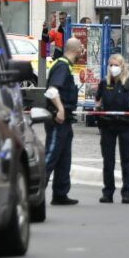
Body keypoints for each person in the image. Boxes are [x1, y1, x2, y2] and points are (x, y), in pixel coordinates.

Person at [94, 53, 129, 204]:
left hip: (125, 125)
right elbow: (97, 99)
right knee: (108, 161)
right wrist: (97, 109)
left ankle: (126, 193)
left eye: (116, 65)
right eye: (111, 65)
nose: (113, 68)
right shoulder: (104, 83)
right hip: (107, 125)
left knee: (126, 160)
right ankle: (108, 193)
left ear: (122, 66)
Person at [44, 36, 83, 206]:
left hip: (65, 120)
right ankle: (34, 193)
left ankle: (60, 194)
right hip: (58, 120)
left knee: (64, 158)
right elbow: (52, 91)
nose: (83, 51)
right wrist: (60, 109)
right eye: (81, 48)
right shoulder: (62, 66)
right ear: (76, 50)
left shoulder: (65, 65)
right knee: (50, 157)